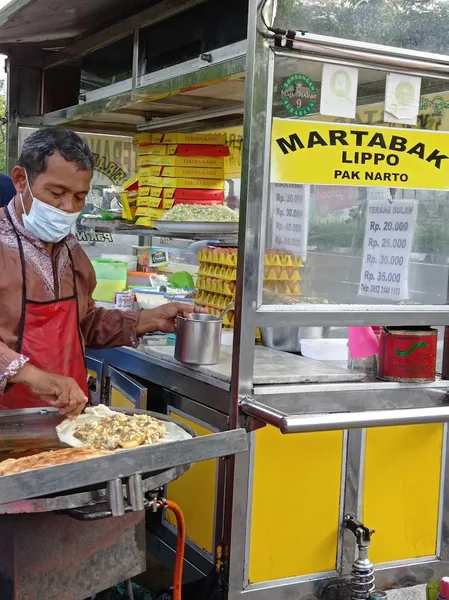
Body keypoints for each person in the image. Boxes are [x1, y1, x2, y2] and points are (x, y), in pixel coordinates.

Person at [0, 128, 204, 417]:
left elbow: (84, 323)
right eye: (56, 193)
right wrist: (34, 377)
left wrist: (150, 319)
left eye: (79, 197)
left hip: (67, 418)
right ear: (21, 180)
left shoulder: (71, 250)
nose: (67, 207)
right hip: (6, 422)